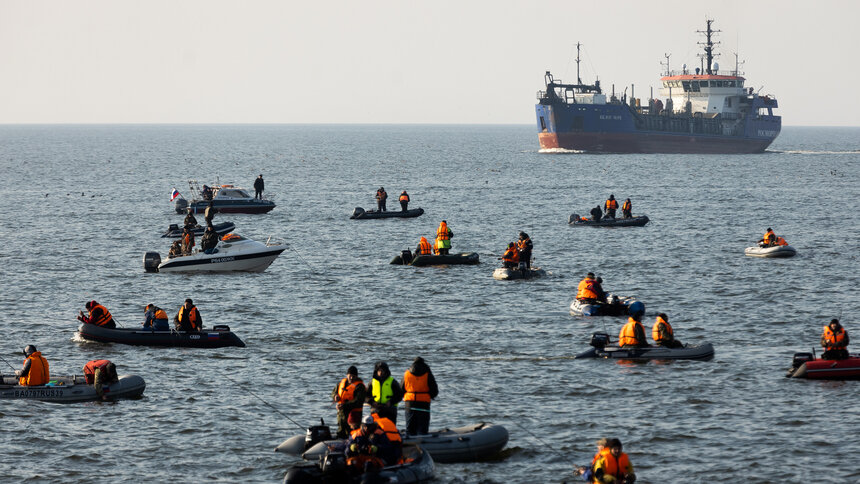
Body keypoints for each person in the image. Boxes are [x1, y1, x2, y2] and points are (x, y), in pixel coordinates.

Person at [403, 357, 438, 436]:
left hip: (409, 402)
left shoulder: (407, 373)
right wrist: (432, 396)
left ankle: (409, 442)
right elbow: (434, 388)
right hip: (423, 402)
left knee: (410, 427)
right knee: (422, 428)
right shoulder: (427, 373)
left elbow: (401, 388)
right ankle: (423, 441)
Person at [332, 365, 367, 439]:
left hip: (354, 415)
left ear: (356, 376)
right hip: (341, 414)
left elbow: (358, 401)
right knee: (341, 431)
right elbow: (334, 391)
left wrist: (344, 406)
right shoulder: (341, 382)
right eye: (350, 376)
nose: (351, 378)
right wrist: (335, 396)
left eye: (353, 376)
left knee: (352, 433)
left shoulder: (360, 386)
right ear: (347, 375)